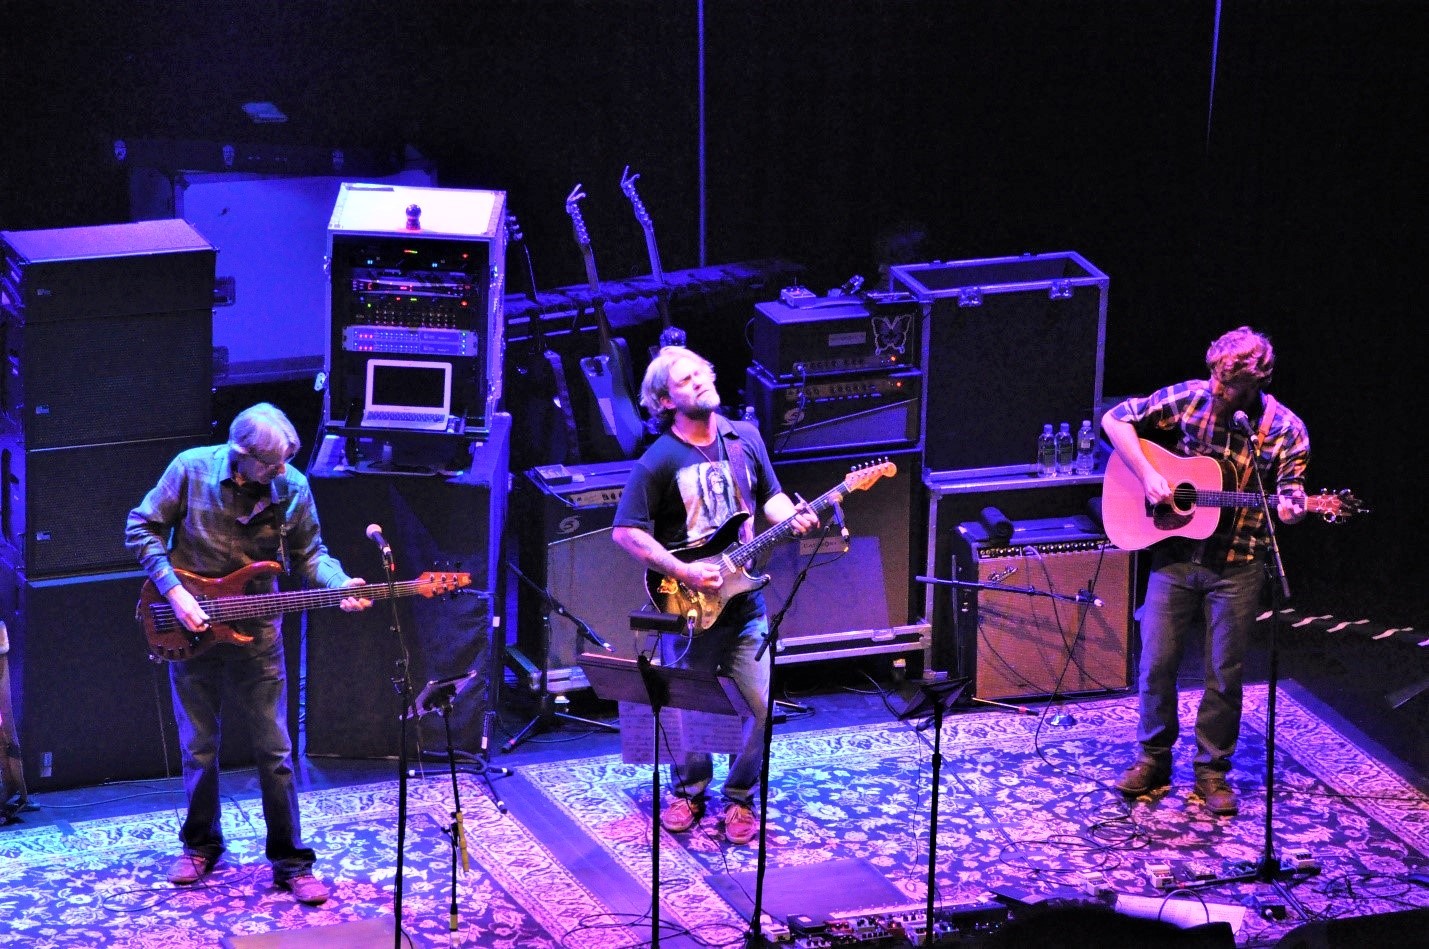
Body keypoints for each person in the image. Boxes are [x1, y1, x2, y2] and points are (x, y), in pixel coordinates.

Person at [125, 403, 373, 903]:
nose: (281, 472)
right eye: (272, 463)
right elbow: (140, 527)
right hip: (188, 628)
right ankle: (200, 845)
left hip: (258, 635)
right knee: (199, 746)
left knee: (276, 752)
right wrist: (175, 592)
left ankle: (290, 861)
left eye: (286, 461)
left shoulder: (294, 487)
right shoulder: (191, 468)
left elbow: (311, 556)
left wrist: (339, 583)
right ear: (241, 455)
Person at [611, 346, 820, 844]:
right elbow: (626, 532)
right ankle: (689, 791)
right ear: (665, 400)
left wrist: (791, 516)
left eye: (703, 373)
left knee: (760, 705)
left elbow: (767, 496)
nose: (701, 382)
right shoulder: (658, 461)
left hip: (746, 601)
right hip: (689, 604)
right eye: (686, 381)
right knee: (688, 707)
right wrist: (683, 569)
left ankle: (740, 798)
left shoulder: (743, 437)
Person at [1102, 326, 1309, 816]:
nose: (1217, 389)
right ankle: (1153, 758)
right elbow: (1114, 419)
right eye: (1215, 376)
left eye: (1229, 385)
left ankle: (1212, 770)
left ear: (1256, 383)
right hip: (1175, 555)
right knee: (1156, 662)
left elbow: (1292, 492)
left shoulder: (1285, 429)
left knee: (1224, 673)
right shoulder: (1192, 398)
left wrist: (1295, 508)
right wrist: (1151, 475)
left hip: (1238, 566)